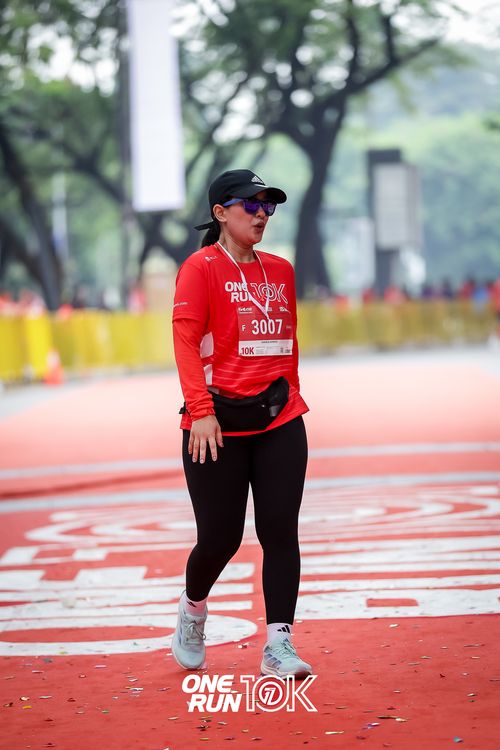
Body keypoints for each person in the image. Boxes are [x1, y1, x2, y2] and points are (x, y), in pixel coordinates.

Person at [171, 169, 312, 678]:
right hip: (217, 424)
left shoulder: (281, 270)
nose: (261, 214)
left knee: (280, 531)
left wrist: (292, 396)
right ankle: (193, 608)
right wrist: (200, 412)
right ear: (220, 212)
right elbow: (186, 342)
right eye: (251, 204)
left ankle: (279, 645)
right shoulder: (200, 267)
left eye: (267, 205)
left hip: (279, 419)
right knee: (221, 538)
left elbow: (287, 343)